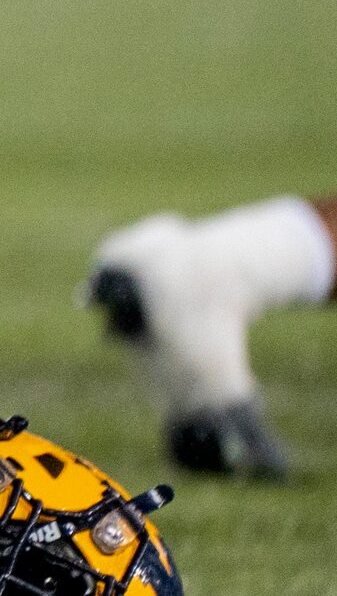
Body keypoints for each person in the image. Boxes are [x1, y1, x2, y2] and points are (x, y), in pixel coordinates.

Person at [86, 196, 336, 480]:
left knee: (206, 439)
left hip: (160, 256)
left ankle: (200, 262)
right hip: (193, 273)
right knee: (248, 455)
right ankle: (205, 266)